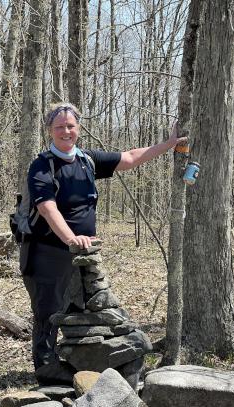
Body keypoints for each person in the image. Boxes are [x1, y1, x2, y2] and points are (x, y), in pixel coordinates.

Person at [21, 102, 187, 375]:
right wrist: (72, 239)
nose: (66, 131)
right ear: (50, 129)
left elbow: (131, 158)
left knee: (84, 308)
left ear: (79, 128)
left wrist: (169, 144)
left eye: (71, 126)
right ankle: (47, 371)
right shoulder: (42, 166)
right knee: (48, 312)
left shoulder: (86, 159)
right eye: (60, 127)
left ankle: (82, 363)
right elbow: (47, 208)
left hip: (83, 253)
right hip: (47, 252)